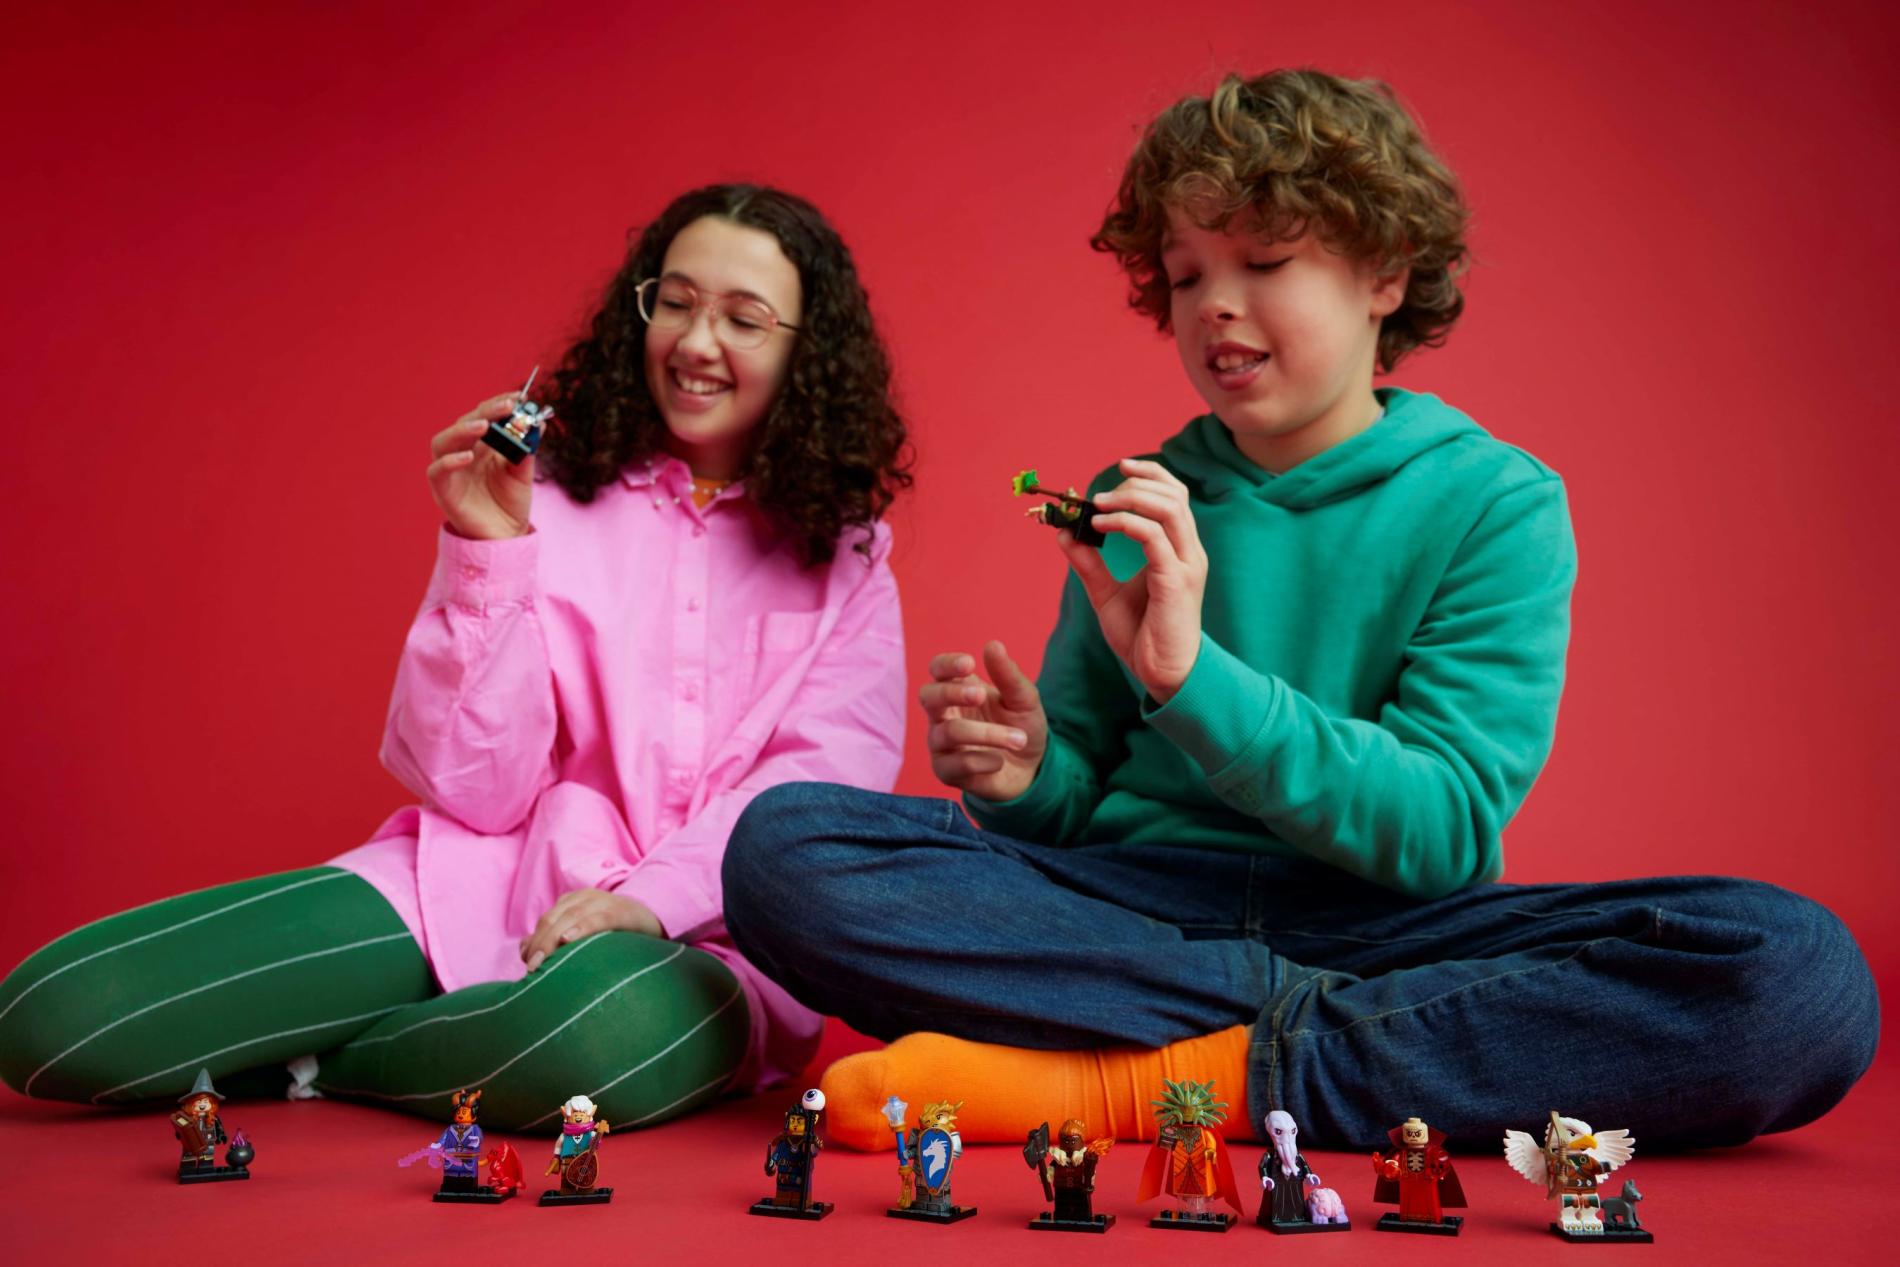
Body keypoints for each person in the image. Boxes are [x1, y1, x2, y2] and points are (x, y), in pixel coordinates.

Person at [720, 71, 1878, 1151]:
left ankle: (1141, 1079)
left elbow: (1439, 830)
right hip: (1137, 916)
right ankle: (1355, 1040)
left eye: (1265, 261)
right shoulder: (1140, 495)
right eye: (1185, 276)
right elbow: (1076, 812)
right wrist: (1024, 777)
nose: (1214, 307)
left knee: (1795, 973)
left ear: (1386, 275)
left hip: (1389, 925)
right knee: (783, 849)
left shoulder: (1496, 502)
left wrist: (1194, 680)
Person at [0, 184, 912, 1131]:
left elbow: (808, 798)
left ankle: (327, 1064)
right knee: (57, 1016)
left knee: (590, 1040)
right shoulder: (538, 496)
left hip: (706, 944)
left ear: (807, 351)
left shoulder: (850, 560)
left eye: (744, 319)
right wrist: (489, 549)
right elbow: (478, 792)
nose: (695, 342)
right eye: (674, 302)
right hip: (481, 884)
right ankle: (443, 1038)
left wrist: (647, 901)